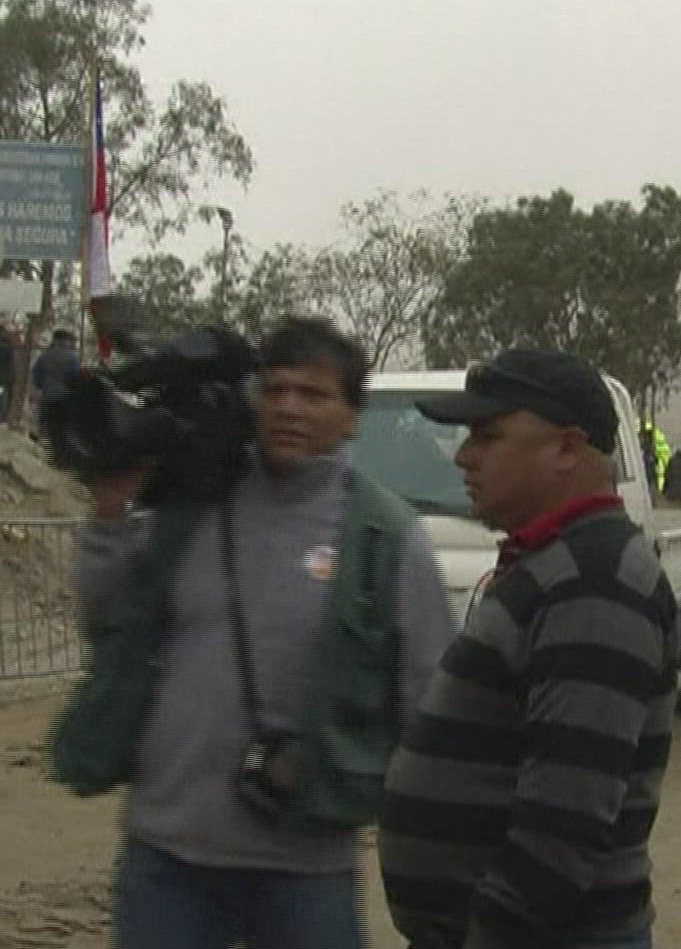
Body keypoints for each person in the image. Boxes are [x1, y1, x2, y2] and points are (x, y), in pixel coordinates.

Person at [73, 316, 454, 947]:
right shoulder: (190, 508)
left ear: (352, 417)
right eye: (274, 390)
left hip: (307, 865)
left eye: (313, 394)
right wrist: (109, 514)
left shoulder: (388, 537)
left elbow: (426, 700)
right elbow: (106, 623)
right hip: (167, 856)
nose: (289, 408)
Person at [381, 348, 677, 949]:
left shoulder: (595, 580)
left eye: (487, 436)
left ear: (567, 448)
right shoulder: (553, 564)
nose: (464, 455)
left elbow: (566, 818)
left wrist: (491, 932)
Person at [30, 327, 79, 411]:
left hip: (47, 394)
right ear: (66, 340)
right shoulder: (72, 356)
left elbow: (36, 376)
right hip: (65, 395)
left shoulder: (43, 356)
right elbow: (73, 376)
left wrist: (40, 387)